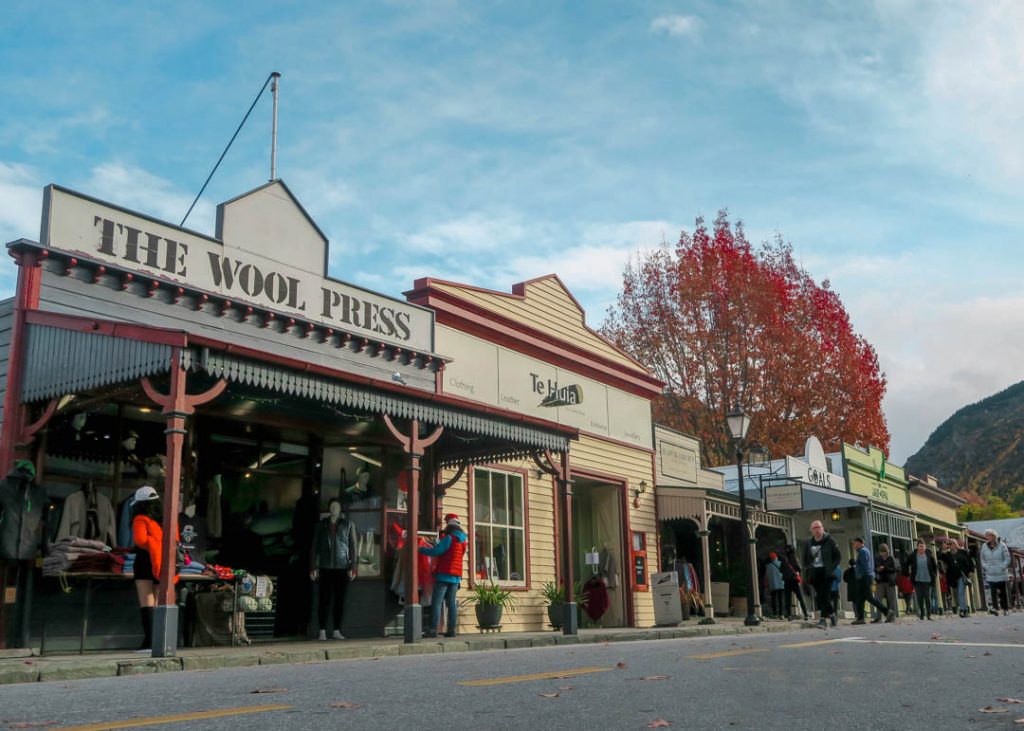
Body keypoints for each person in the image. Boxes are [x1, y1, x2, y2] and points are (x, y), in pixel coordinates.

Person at [310, 498, 356, 640]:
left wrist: (353, 566)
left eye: (337, 506)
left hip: (342, 567)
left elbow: (352, 546)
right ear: (329, 508)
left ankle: (337, 630)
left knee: (339, 600)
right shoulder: (321, 525)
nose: (334, 508)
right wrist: (313, 566)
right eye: (332, 506)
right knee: (324, 600)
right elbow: (314, 546)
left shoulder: (348, 525)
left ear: (340, 509)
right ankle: (322, 631)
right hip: (325, 567)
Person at [419, 513, 468, 638]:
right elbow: (456, 555)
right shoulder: (463, 541)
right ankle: (452, 630)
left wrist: (420, 549)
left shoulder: (449, 538)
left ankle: (433, 630)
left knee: (437, 602)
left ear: (449, 527)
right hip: (456, 577)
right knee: (451, 604)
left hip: (444, 575)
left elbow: (437, 552)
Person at [131, 485, 163, 652]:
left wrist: (151, 543)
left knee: (147, 602)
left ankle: (149, 642)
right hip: (160, 562)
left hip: (144, 562)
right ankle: (158, 640)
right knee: (157, 602)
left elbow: (140, 540)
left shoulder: (140, 519)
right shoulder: (164, 520)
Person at [803, 520, 841, 628]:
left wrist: (831, 568)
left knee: (825, 595)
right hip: (815, 573)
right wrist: (807, 569)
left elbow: (838, 557)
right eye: (814, 528)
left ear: (822, 529)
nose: (817, 530)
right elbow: (805, 558)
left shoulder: (830, 541)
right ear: (811, 530)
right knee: (821, 596)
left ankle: (823, 620)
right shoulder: (809, 543)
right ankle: (832, 614)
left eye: (818, 527)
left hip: (827, 573)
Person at [851, 537, 891, 625]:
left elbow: (865, 565)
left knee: (870, 598)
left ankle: (887, 611)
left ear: (858, 543)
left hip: (864, 577)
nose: (853, 545)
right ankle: (860, 618)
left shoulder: (862, 551)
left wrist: (860, 574)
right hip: (866, 576)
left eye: (854, 543)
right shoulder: (865, 551)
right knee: (860, 598)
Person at [980, 529, 1012, 616]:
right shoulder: (984, 546)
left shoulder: (1002, 545)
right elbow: (982, 558)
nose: (988, 537)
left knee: (1002, 592)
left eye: (989, 535)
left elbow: (1007, 558)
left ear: (994, 536)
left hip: (1001, 573)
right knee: (993, 591)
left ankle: (1005, 609)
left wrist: (1003, 566)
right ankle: (995, 608)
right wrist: (985, 566)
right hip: (990, 573)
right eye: (987, 536)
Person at [942, 539, 974, 618]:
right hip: (952, 577)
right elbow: (941, 558)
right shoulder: (947, 554)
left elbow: (970, 562)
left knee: (960, 592)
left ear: (956, 544)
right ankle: (964, 609)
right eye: (949, 544)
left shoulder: (963, 552)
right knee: (957, 594)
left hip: (962, 575)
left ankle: (962, 610)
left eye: (952, 544)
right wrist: (944, 549)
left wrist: (971, 571)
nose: (951, 545)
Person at [908, 538, 937, 620]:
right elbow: (906, 563)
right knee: (919, 597)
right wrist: (907, 574)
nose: (921, 548)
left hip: (928, 580)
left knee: (927, 597)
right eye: (920, 546)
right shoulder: (913, 556)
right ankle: (922, 613)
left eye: (923, 546)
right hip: (917, 580)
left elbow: (935, 567)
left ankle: (929, 614)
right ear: (917, 547)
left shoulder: (929, 556)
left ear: (925, 547)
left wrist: (934, 575)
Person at [781, 545, 809, 621]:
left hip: (787, 581)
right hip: (794, 581)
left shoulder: (784, 560)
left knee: (788, 599)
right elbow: (799, 568)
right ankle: (806, 614)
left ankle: (789, 615)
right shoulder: (795, 559)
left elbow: (781, 569)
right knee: (800, 598)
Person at [874, 543, 899, 622]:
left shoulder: (891, 558)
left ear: (887, 551)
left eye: (884, 552)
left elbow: (895, 569)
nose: (883, 554)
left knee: (891, 600)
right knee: (878, 599)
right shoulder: (878, 558)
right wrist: (877, 569)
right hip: (880, 581)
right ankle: (878, 617)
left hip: (889, 581)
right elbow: (875, 568)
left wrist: (885, 568)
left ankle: (891, 617)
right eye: (881, 552)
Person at [764, 552, 785, 619]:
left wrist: (766, 585)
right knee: (780, 599)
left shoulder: (768, 566)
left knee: (774, 599)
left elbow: (766, 577)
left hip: (773, 585)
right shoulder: (781, 563)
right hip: (781, 584)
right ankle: (781, 614)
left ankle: (775, 614)